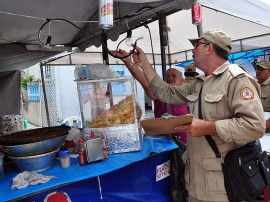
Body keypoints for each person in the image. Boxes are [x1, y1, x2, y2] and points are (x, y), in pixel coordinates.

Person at [130, 29, 265, 201]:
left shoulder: (236, 80)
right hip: (196, 182)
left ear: (209, 48)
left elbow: (254, 126)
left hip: (223, 186)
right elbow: (166, 93)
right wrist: (144, 64)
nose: (193, 50)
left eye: (196, 45)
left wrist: (208, 127)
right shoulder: (199, 83)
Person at [113, 49, 188, 143]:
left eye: (174, 76)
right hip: (163, 141)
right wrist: (127, 61)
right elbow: (145, 83)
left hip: (185, 141)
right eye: (167, 76)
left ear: (182, 80)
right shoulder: (161, 93)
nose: (170, 78)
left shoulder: (186, 93)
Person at [255, 60, 270, 133]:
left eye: (262, 69)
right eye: (258, 69)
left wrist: (267, 123)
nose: (258, 71)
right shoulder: (251, 85)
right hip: (253, 126)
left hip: (267, 130)